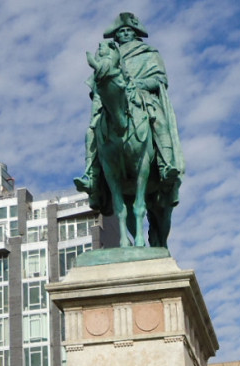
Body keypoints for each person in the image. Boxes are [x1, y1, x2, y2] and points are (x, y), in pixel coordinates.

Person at [75, 12, 184, 219]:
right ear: (116, 36)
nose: (124, 34)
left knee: (158, 121)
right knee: (92, 133)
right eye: (121, 31)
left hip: (143, 98)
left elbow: (160, 79)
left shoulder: (149, 53)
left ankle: (165, 165)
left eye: (128, 31)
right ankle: (91, 176)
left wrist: (141, 84)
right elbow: (97, 84)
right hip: (115, 101)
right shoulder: (108, 54)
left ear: (135, 34)